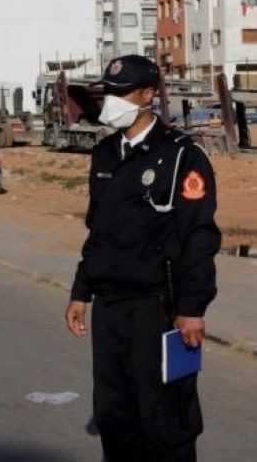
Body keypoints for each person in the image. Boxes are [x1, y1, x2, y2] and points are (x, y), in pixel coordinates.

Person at [65, 55, 220, 461]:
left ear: (149, 94)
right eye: (108, 93)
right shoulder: (105, 155)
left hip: (160, 311)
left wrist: (192, 308)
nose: (111, 101)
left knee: (166, 422)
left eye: (121, 93)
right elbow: (98, 232)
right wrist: (82, 291)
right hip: (111, 310)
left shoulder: (182, 156)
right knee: (115, 417)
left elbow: (200, 238)